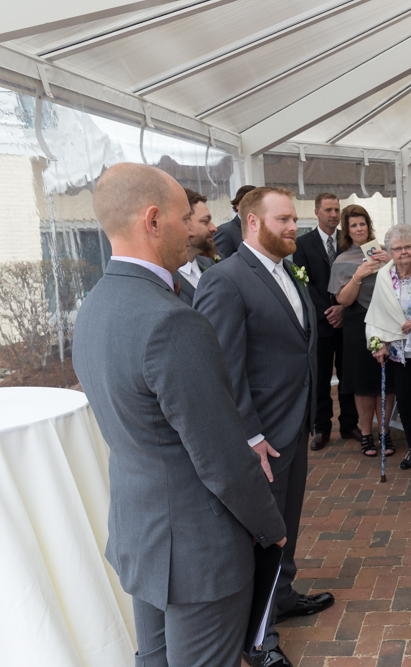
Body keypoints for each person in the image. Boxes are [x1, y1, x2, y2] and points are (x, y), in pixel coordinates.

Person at [73, 163, 287, 667]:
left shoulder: (95, 306)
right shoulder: (171, 321)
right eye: (182, 218)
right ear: (152, 220)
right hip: (197, 552)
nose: (193, 231)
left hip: (140, 533)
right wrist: (269, 524)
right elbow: (221, 457)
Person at [194, 186, 333, 667]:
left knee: (287, 524)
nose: (295, 227)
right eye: (284, 220)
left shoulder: (286, 272)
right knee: (263, 535)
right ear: (253, 223)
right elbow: (224, 369)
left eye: (295, 218)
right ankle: (258, 638)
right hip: (263, 437)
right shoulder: (227, 280)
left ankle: (285, 595)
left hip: (293, 424)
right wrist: (250, 435)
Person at [292, 192, 361, 451]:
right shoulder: (302, 244)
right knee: (320, 378)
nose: (333, 214)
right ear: (317, 212)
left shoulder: (349, 240)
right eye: (329, 210)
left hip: (349, 320)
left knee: (348, 375)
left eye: (337, 209)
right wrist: (329, 311)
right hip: (320, 324)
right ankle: (321, 428)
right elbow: (303, 283)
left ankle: (349, 423)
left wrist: (343, 308)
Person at [329, 204, 395, 458]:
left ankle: (384, 432)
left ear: (368, 226)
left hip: (386, 320)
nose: (359, 228)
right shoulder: (343, 260)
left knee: (387, 382)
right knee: (363, 384)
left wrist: (391, 264)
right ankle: (366, 434)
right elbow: (342, 301)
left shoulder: (384, 253)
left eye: (362, 223)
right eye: (353, 225)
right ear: (347, 230)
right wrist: (358, 275)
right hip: (358, 322)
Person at [366, 225, 411, 471]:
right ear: (389, 252)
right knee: (406, 403)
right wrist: (378, 343)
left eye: (408, 246)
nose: (404, 252)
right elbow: (377, 313)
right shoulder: (384, 276)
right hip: (399, 354)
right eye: (397, 248)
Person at [172, 187, 216, 306]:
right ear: (185, 222)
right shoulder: (166, 275)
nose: (214, 228)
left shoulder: (209, 264)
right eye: (205, 221)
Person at [213, 184, 255, 259]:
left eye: (255, 204)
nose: (251, 207)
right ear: (237, 205)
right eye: (246, 203)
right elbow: (220, 263)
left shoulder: (262, 229)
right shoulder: (225, 231)